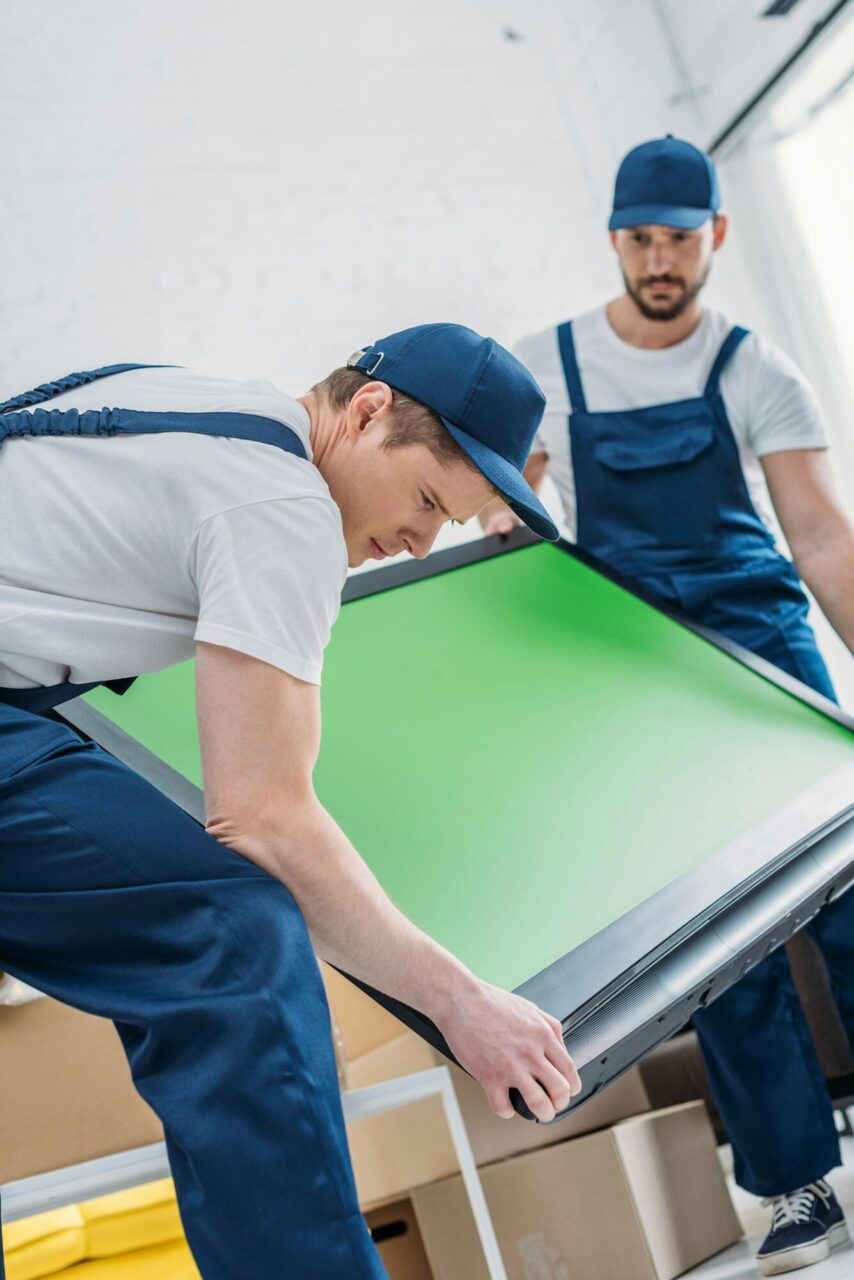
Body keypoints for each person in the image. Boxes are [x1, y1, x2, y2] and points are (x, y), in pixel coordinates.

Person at [0, 325, 581, 1280]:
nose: (414, 544)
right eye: (427, 501)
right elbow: (262, 815)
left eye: (449, 526)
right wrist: (463, 1004)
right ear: (367, 410)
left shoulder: (194, 398)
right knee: (236, 935)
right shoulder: (284, 506)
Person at [481, 136, 854, 1276]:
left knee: (845, 899)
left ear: (714, 238)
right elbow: (513, 532)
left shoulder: (756, 368)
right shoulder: (545, 364)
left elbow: (820, 537)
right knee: (722, 940)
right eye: (638, 239)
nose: (657, 260)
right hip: (645, 679)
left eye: (677, 240)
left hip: (767, 657)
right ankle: (797, 1187)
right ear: (613, 239)